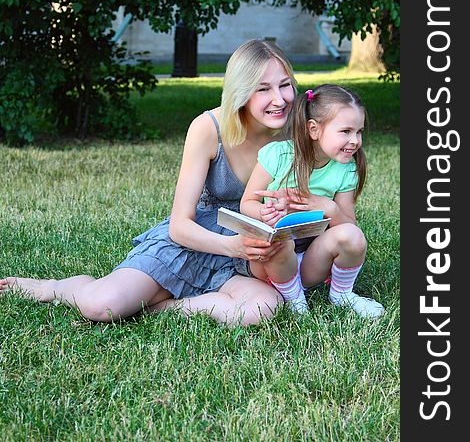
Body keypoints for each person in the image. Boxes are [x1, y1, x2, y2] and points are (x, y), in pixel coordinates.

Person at [0, 39, 297, 326]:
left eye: (285, 85)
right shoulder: (209, 128)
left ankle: (160, 309)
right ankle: (55, 287)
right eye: (263, 89)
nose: (280, 99)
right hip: (197, 241)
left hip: (246, 259)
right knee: (101, 305)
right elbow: (179, 225)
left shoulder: (294, 133)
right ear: (241, 91)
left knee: (261, 309)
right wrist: (232, 247)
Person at [239, 84, 384, 318]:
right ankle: (295, 301)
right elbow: (246, 203)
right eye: (346, 131)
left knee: (353, 236)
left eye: (359, 132)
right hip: (269, 262)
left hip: (310, 261)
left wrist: (330, 208)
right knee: (280, 241)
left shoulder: (345, 169)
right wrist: (264, 212)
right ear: (314, 129)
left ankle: (342, 294)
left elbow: (350, 227)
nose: (355, 140)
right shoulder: (278, 155)